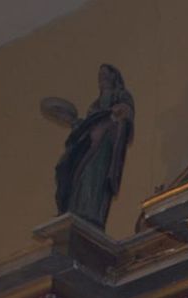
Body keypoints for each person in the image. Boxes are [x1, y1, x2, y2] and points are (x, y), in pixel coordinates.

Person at [52, 64, 135, 231]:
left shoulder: (121, 95)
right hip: (89, 146)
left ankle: (90, 213)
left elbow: (125, 114)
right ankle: (75, 209)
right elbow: (87, 127)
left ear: (114, 77)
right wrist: (78, 125)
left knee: (94, 178)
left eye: (105, 75)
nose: (101, 79)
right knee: (70, 171)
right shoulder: (95, 104)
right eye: (100, 76)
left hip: (103, 147)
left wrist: (109, 121)